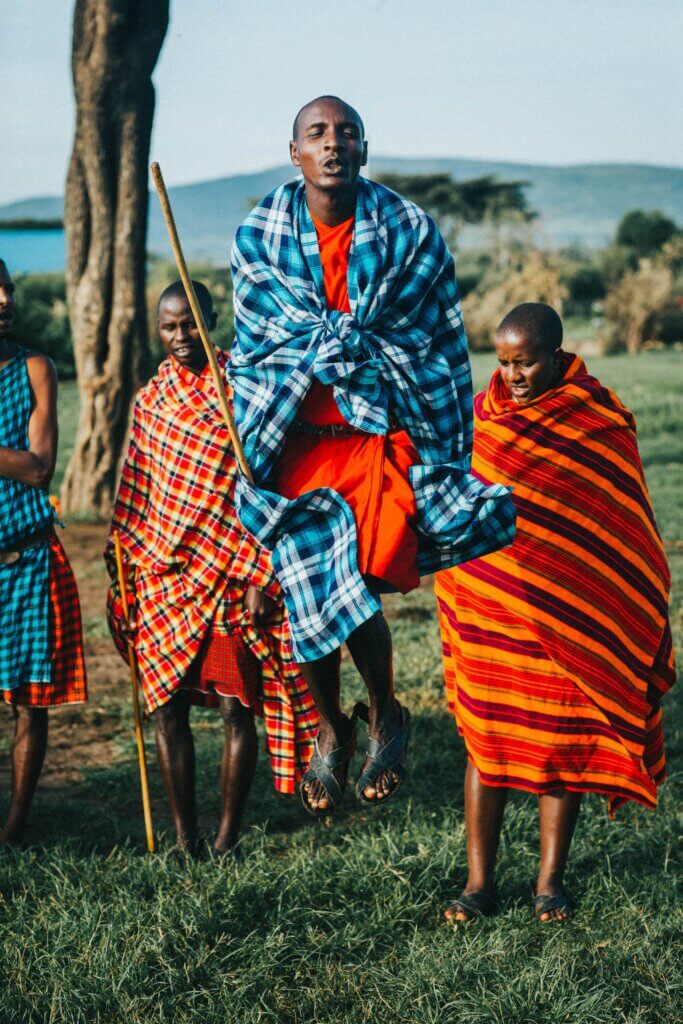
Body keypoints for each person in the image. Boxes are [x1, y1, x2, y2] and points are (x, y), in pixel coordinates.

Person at [229, 96, 515, 816]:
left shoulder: (407, 231)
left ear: (363, 149)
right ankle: (332, 728)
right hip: (294, 441)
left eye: (345, 133)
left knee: (350, 581)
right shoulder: (259, 235)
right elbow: (260, 346)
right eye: (317, 134)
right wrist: (316, 352)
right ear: (293, 151)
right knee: (308, 589)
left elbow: (434, 342)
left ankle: (384, 709)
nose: (333, 144)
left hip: (370, 439)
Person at [435, 302, 676, 923]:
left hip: (568, 620)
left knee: (559, 744)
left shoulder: (594, 419)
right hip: (491, 609)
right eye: (505, 362)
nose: (513, 375)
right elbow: (459, 508)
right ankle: (479, 883)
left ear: (558, 354)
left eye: (527, 362)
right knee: (486, 744)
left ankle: (549, 882)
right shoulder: (481, 419)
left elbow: (619, 525)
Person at [106, 281, 317, 858]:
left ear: (212, 320)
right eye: (169, 327)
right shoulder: (151, 401)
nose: (180, 338)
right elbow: (137, 490)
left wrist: (260, 574)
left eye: (190, 325)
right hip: (162, 573)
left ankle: (226, 836)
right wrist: (123, 568)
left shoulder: (240, 391)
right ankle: (184, 837)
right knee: (167, 708)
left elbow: (271, 482)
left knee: (234, 706)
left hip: (231, 570)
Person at [0, 258, 87, 846]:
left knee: (29, 705)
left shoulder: (36, 368)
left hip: (28, 558)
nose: (2, 298)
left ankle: (14, 829)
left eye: (4, 286)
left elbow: (38, 468)